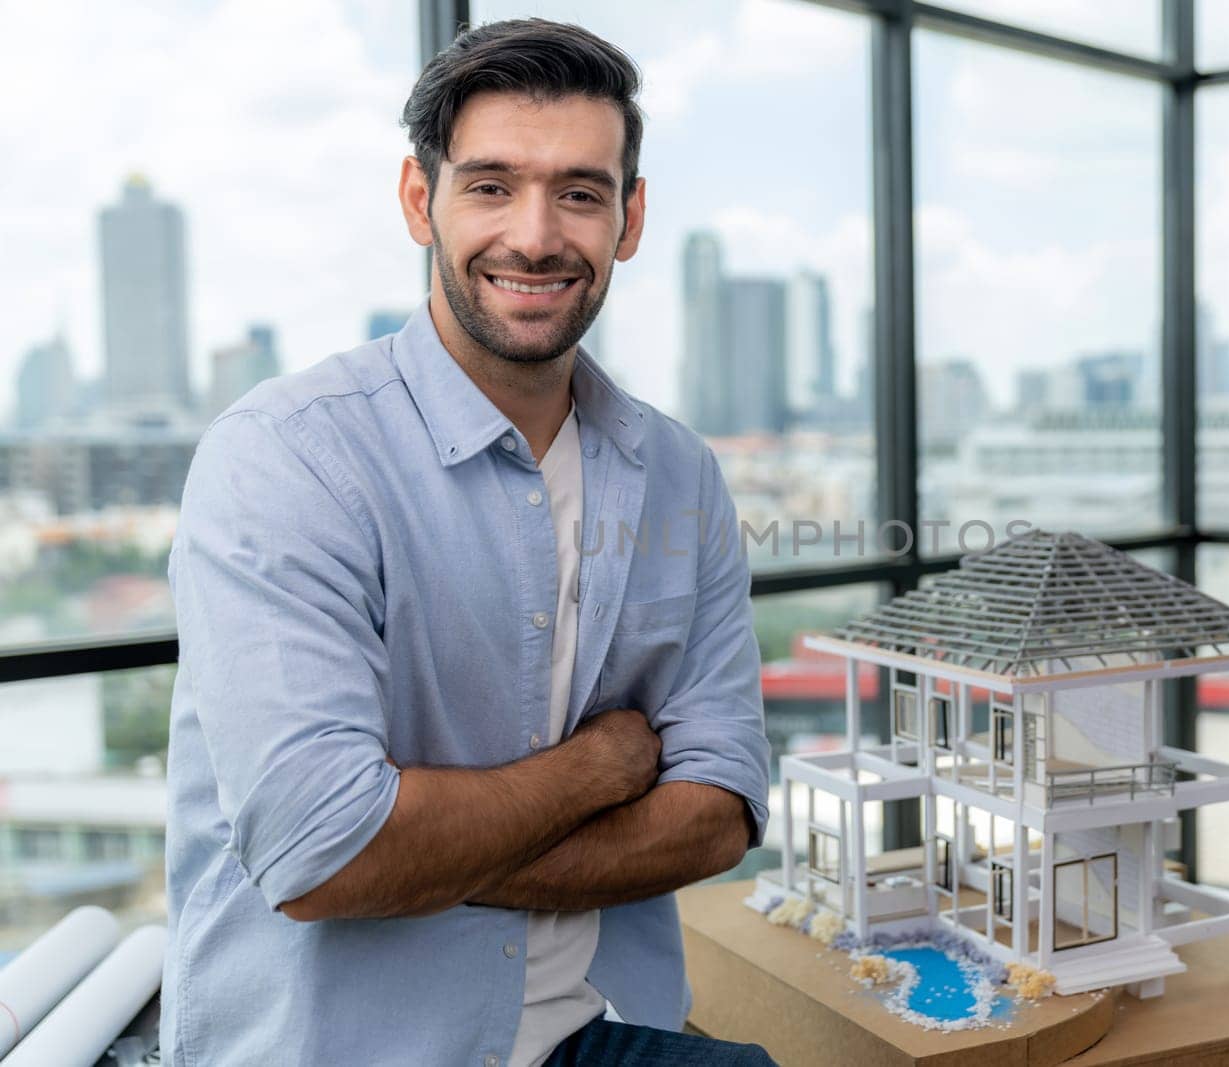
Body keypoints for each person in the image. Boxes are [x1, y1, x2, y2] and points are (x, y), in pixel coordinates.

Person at [159, 18, 776, 1066]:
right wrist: (597, 768)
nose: (534, 236)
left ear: (628, 219)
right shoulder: (286, 459)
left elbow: (716, 816)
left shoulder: (679, 473)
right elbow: (322, 851)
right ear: (419, 201)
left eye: (579, 192)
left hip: (596, 1027)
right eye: (491, 184)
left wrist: (419, 852)